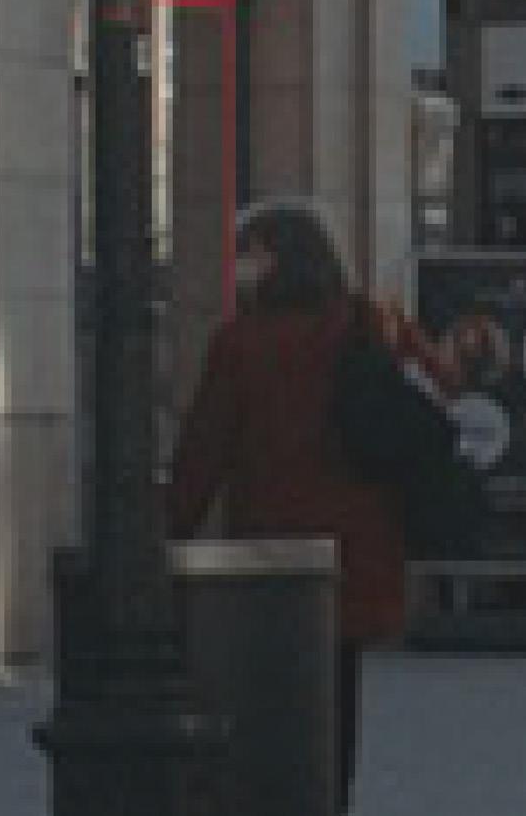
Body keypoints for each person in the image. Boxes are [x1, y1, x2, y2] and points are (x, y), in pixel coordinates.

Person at [167, 205, 460, 814]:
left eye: (250, 252)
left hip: (270, 548)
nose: (240, 267)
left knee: (267, 693)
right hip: (359, 543)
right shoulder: (374, 321)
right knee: (338, 690)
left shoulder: (242, 343)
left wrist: (169, 531)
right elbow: (442, 387)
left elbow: (204, 451)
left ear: (276, 258)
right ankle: (331, 797)